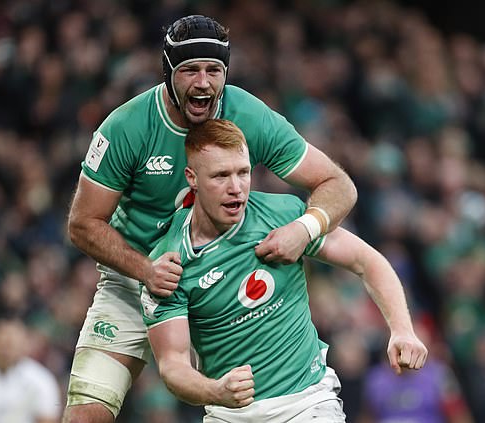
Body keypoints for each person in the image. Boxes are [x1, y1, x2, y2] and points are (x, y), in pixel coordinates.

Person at [65, 14, 357, 422]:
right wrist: (145, 269)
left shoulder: (247, 114)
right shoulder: (125, 127)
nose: (203, 83)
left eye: (213, 70)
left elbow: (336, 184)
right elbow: (82, 223)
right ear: (168, 73)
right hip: (134, 282)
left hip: (220, 283)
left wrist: (303, 228)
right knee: (87, 413)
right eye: (189, 70)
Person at [141, 119, 428, 422]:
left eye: (243, 172)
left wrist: (402, 330)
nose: (236, 188)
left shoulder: (283, 217)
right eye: (221, 176)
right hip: (230, 414)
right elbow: (172, 366)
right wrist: (216, 391)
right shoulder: (168, 262)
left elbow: (367, 261)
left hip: (309, 403)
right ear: (192, 178)